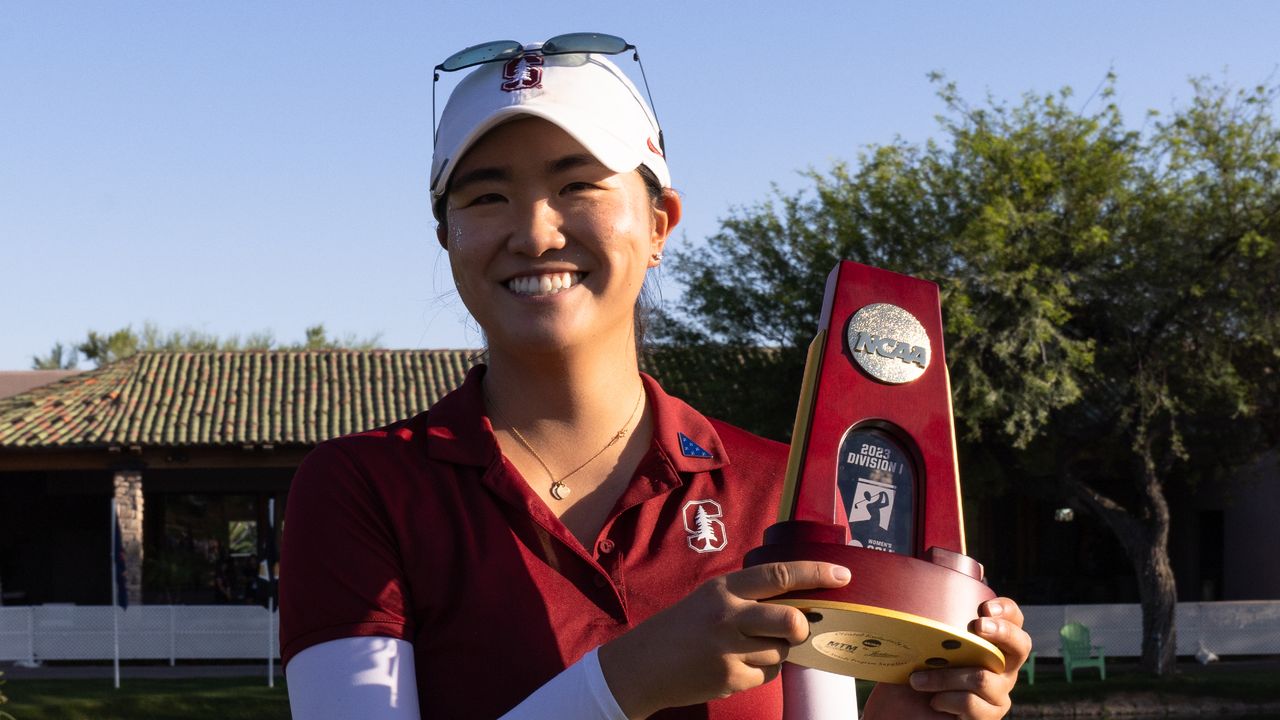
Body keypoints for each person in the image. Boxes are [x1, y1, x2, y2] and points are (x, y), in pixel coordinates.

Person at [279, 33, 1032, 719]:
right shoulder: (358, 488)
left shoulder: (774, 488)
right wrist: (628, 680)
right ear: (447, 237)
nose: (536, 231)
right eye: (486, 196)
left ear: (660, 224)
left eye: (578, 185)